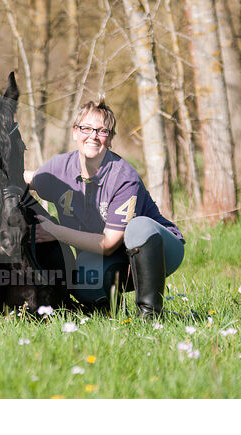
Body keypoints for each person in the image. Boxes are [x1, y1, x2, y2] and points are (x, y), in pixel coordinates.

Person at [23, 99, 184, 317]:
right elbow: (29, 178)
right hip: (110, 257)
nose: (93, 136)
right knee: (82, 283)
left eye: (102, 131)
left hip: (158, 249)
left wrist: (55, 231)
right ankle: (108, 310)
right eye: (86, 128)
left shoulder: (124, 178)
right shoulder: (60, 167)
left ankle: (150, 315)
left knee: (138, 227)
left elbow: (108, 244)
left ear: (110, 138)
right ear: (74, 132)